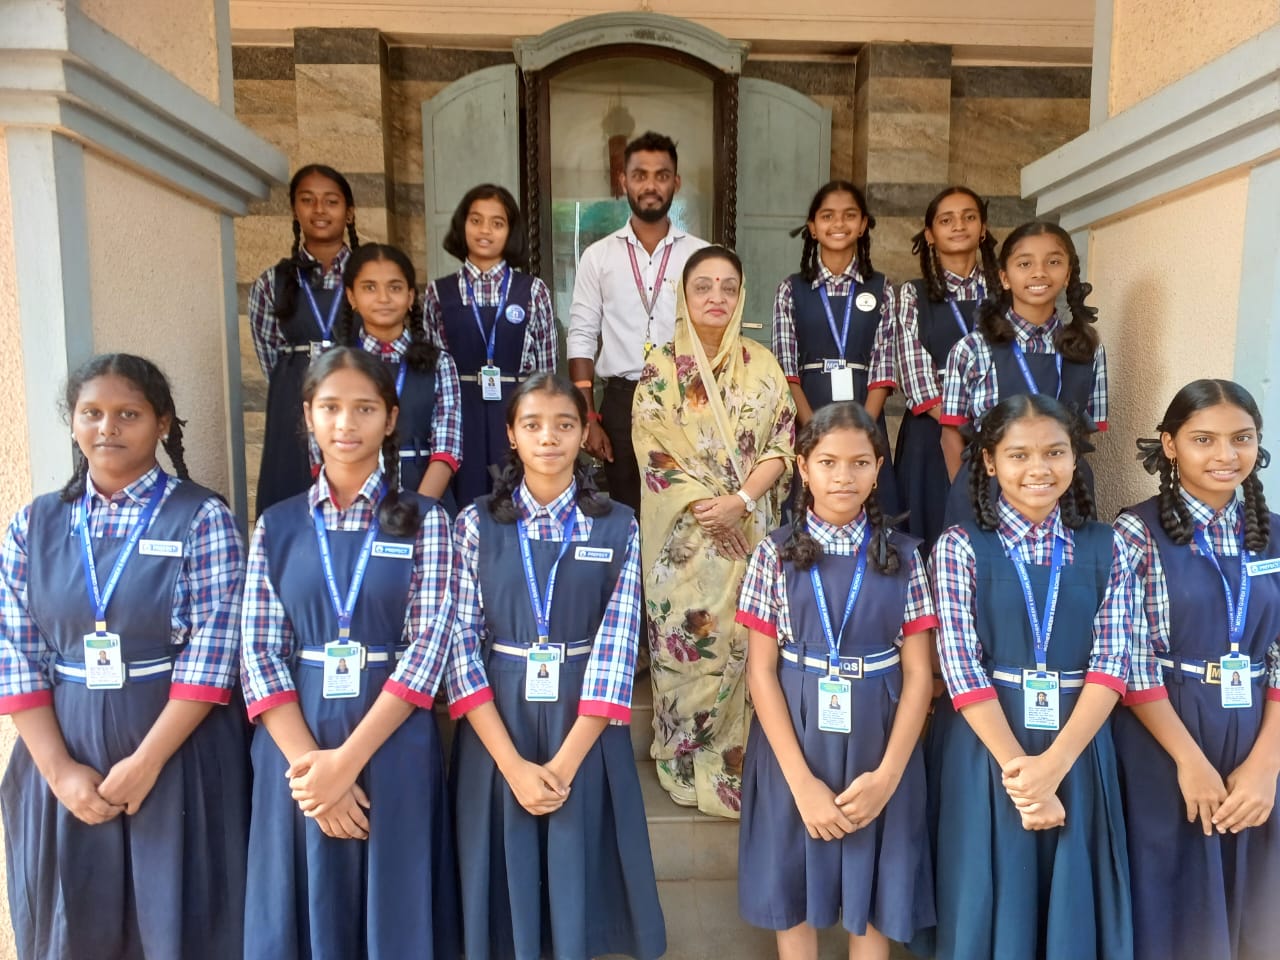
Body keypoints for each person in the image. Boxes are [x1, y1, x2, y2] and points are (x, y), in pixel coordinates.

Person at [0, 353, 249, 959]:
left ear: (162, 423)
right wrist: (59, 772)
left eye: (128, 414)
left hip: (179, 750)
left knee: (181, 923)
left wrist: (146, 763)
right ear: (73, 422)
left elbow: (214, 651)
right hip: (64, 755)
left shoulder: (202, 518)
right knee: (74, 926)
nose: (107, 428)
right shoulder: (34, 524)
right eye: (92, 413)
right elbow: (14, 650)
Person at [240, 347, 459, 959]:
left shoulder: (425, 520)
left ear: (391, 419)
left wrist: (347, 763)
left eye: (364, 408)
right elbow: (258, 651)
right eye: (330, 407)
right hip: (296, 750)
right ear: (307, 414)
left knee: (394, 908)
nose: (346, 423)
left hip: (393, 738)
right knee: (304, 905)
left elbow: (428, 647)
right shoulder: (277, 525)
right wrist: (316, 771)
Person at [446, 372, 665, 960]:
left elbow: (618, 645)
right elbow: (459, 645)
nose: (549, 437)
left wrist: (563, 766)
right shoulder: (474, 524)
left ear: (584, 432)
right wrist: (513, 765)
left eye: (564, 424)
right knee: (502, 877)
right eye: (533, 425)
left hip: (582, 721)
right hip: (499, 721)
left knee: (576, 871)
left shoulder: (617, 524)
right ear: (511, 434)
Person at [931, 393, 1134, 960]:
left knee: (1070, 909)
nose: (1039, 468)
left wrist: (1054, 767)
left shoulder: (1109, 545)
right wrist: (1025, 778)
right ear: (989, 461)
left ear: (1075, 459)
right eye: (1018, 455)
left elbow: (1112, 663)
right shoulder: (960, 547)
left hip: (1078, 744)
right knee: (988, 901)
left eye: (1055, 452)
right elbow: (960, 665)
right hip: (987, 748)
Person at [737, 402, 935, 958]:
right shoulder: (773, 554)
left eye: (859, 463)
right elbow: (761, 670)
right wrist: (801, 783)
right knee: (793, 880)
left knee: (874, 889)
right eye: (827, 462)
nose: (843, 476)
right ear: (803, 467)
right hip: (795, 739)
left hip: (880, 735)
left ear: (878, 469)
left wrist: (888, 776)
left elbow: (920, 675)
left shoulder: (905, 557)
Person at [1113, 379, 1280, 960]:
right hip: (1164, 734)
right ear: (1170, 445)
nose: (1225, 455)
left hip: (1257, 729)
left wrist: (1266, 766)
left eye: (1242, 439)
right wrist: (1190, 762)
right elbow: (1128, 657)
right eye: (1203, 439)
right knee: (1169, 898)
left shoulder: (1276, 534)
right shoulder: (1136, 532)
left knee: (1255, 900)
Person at [634, 245, 795, 816]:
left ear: (742, 295)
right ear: (684, 294)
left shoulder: (764, 364)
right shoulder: (659, 368)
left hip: (747, 532)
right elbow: (654, 450)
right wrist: (712, 510)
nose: (716, 297)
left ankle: (733, 761)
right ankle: (681, 757)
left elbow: (783, 443)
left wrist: (742, 502)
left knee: (742, 644)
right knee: (687, 646)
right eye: (703, 286)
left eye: (728, 287)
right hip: (684, 540)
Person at [567, 130, 708, 513]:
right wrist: (588, 416)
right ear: (623, 181)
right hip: (620, 401)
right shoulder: (598, 257)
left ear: (676, 182)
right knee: (626, 511)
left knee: (684, 510)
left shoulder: (700, 256)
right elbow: (581, 335)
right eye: (640, 175)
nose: (650, 185)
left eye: (661, 175)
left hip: (684, 398)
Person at [939, 222, 1106, 528]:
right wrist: (968, 493)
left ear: (1068, 273)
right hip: (985, 493)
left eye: (1053, 262)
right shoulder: (972, 348)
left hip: (1063, 492)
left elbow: (1084, 434)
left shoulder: (1088, 349)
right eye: (1025, 264)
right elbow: (951, 434)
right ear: (1004, 277)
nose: (1039, 272)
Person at [425, 184, 557, 507]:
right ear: (462, 225)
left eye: (497, 223)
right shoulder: (438, 293)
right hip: (459, 412)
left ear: (511, 231)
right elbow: (432, 372)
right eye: (476, 220)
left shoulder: (533, 291)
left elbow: (547, 374)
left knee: (517, 502)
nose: (485, 230)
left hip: (517, 411)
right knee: (464, 502)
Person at [772, 181, 900, 516]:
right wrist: (814, 430)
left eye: (849, 215)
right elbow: (786, 370)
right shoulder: (791, 289)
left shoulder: (882, 288)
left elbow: (883, 366)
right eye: (827, 216)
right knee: (809, 504)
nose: (838, 223)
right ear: (813, 227)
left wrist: (863, 429)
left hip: (865, 408)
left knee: (869, 507)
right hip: (809, 407)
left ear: (863, 224)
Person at [248, 163, 361, 515]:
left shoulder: (370, 275)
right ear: (295, 210)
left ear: (349, 212)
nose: (319, 210)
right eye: (308, 200)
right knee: (291, 498)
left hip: (356, 395)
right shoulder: (272, 282)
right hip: (293, 401)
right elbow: (270, 357)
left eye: (331, 201)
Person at [893, 186, 1000, 548]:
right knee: (932, 531)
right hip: (931, 431)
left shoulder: (1003, 293)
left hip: (997, 431)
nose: (959, 226)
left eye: (969, 217)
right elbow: (914, 371)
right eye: (946, 220)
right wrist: (959, 424)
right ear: (929, 234)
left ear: (982, 229)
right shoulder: (913, 294)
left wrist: (989, 427)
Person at [335, 242, 463, 507]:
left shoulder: (440, 364)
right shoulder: (334, 366)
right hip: (352, 505)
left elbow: (447, 449)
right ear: (351, 297)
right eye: (370, 287)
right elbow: (321, 450)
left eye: (394, 287)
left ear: (410, 296)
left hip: (426, 502)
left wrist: (416, 512)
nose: (383, 298)